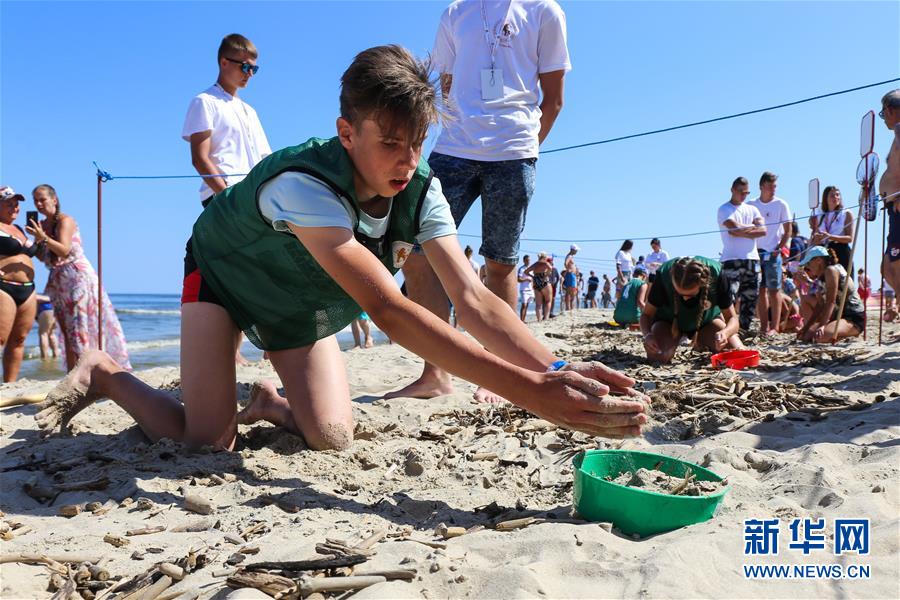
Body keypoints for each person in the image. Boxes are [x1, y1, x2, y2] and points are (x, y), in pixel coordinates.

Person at [34, 46, 646, 450]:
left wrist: (558, 371)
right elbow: (389, 310)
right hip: (225, 273)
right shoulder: (304, 184)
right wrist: (529, 392)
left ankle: (269, 400)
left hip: (299, 300)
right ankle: (107, 372)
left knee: (331, 436)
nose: (406, 162)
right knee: (203, 443)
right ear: (347, 133)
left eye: (418, 143)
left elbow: (474, 300)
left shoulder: (420, 186)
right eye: (391, 144)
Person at [393, 0, 570, 402]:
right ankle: (434, 372)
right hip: (454, 147)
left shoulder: (545, 11)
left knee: (500, 263)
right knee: (418, 255)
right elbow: (445, 84)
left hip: (513, 150)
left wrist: (525, 148)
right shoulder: (456, 12)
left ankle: (498, 375)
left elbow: (554, 98)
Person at [183, 33, 272, 366]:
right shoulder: (204, 102)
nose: (249, 74)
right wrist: (227, 196)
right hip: (224, 201)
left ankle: (262, 347)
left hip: (254, 202)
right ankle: (232, 353)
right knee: (231, 274)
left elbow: (264, 160)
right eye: (244, 66)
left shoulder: (249, 110)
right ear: (224, 62)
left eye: (254, 69)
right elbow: (200, 158)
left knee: (258, 272)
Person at [29, 185, 131, 372]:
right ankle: (72, 376)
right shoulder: (43, 226)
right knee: (66, 332)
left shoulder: (65, 220)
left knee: (80, 329)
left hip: (77, 277)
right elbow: (47, 258)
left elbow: (65, 250)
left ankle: (87, 376)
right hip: (58, 281)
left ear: (54, 200)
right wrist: (36, 241)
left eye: (42, 199)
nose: (38, 204)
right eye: (35, 200)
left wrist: (43, 237)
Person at [640, 256, 744, 364]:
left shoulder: (717, 273)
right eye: (680, 293)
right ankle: (674, 342)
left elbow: (732, 318)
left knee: (736, 353)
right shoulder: (664, 274)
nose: (685, 298)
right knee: (659, 355)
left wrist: (725, 333)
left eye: (690, 294)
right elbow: (646, 315)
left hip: (706, 323)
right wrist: (648, 335)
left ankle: (701, 341)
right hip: (668, 323)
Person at [0, 186, 39, 382]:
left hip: (28, 289)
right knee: (0, 340)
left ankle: (8, 386)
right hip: (3, 287)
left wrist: (39, 239)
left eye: (16, 205)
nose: (15, 208)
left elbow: (34, 253)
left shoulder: (19, 229)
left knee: (19, 340)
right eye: (9, 204)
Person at [717, 177, 766, 333]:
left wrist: (742, 230)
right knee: (729, 297)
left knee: (750, 298)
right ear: (732, 190)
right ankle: (726, 329)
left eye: (746, 193)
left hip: (752, 259)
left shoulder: (752, 209)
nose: (744, 195)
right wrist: (751, 228)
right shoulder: (724, 209)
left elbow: (763, 230)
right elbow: (733, 230)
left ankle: (743, 329)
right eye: (741, 192)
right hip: (731, 259)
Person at [748, 172, 792, 336]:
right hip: (755, 253)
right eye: (770, 186)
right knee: (760, 290)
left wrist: (779, 249)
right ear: (761, 186)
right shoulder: (751, 204)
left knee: (775, 290)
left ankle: (775, 327)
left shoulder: (781, 204)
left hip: (773, 252)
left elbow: (788, 230)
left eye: (775, 186)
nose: (773, 189)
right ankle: (764, 326)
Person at [796, 247, 864, 343]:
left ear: (818, 260)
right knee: (805, 336)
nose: (808, 267)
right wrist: (806, 327)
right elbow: (819, 305)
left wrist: (822, 325)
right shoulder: (821, 277)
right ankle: (836, 332)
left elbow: (830, 301)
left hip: (852, 318)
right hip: (838, 317)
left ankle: (848, 333)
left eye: (808, 263)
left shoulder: (831, 270)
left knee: (820, 337)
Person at [879, 90, 900, 295]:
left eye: (883, 112)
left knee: (895, 267)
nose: (883, 117)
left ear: (890, 110)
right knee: (887, 267)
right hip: (894, 209)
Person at [810, 186, 854, 277]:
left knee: (842, 285)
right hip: (824, 253)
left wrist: (829, 236)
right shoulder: (820, 216)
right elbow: (814, 238)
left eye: (837, 195)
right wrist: (816, 238)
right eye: (832, 195)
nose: (836, 197)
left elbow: (850, 238)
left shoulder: (846, 213)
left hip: (841, 252)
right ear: (825, 198)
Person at [524, 252, 553, 321]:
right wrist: (546, 275)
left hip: (536, 282)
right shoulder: (545, 263)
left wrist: (533, 276)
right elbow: (550, 268)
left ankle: (539, 319)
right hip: (544, 281)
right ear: (545, 257)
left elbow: (526, 272)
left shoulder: (535, 264)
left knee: (538, 304)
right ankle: (546, 318)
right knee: (548, 301)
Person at [35, 293, 60, 360]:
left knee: (43, 334)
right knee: (51, 333)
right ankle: (55, 354)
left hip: (45, 309)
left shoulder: (37, 295)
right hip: (54, 309)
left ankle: (44, 356)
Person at [517, 254, 534, 321]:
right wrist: (526, 279)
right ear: (524, 261)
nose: (528, 261)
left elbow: (533, 279)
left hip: (530, 289)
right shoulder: (521, 269)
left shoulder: (531, 269)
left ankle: (523, 320)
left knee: (527, 305)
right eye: (527, 260)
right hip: (524, 289)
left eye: (529, 260)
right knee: (524, 305)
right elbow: (518, 279)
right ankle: (521, 320)